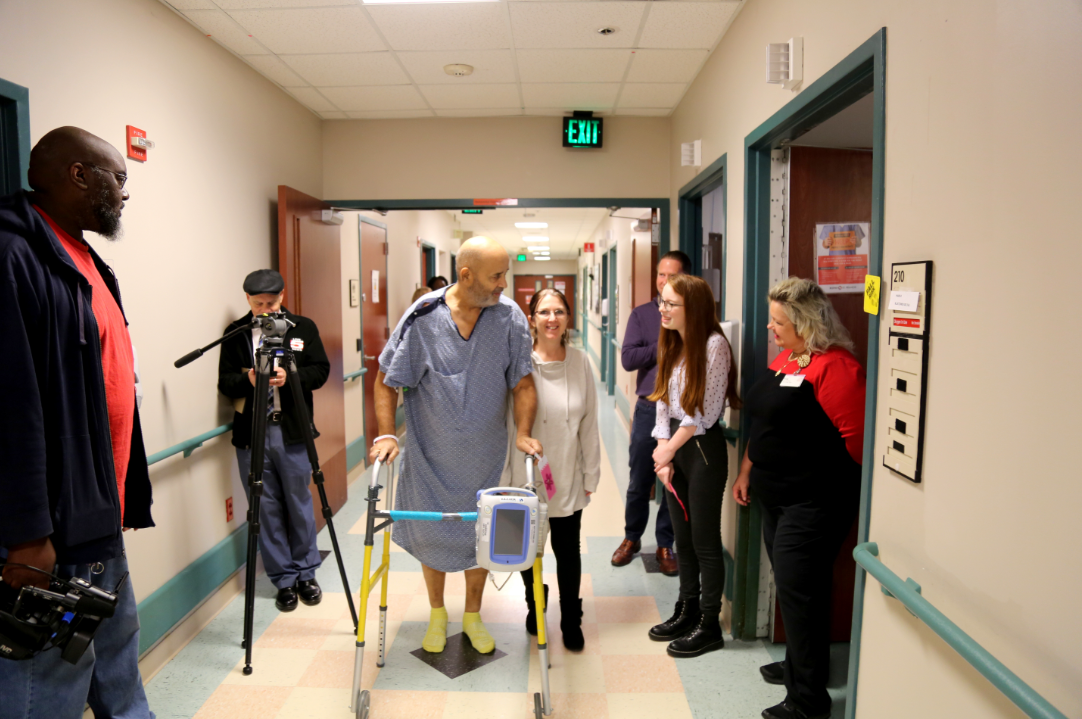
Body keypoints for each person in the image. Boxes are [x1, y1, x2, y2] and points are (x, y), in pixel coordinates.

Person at [1, 126, 155, 719]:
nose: (124, 191)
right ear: (77, 175)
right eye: (118, 176)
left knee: (117, 661)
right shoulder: (16, 256)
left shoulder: (81, 257)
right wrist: (26, 534)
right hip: (48, 532)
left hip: (95, 515)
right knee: (46, 683)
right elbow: (12, 407)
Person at [370, 237, 542, 655]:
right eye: (496, 275)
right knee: (432, 531)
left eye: (504, 273)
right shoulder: (423, 317)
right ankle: (436, 614)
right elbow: (386, 380)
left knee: (479, 535)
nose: (504, 283)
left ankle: (472, 614)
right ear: (466, 275)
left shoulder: (509, 318)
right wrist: (387, 432)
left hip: (485, 455)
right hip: (430, 454)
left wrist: (522, 432)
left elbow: (522, 383)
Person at [733, 277, 865, 719]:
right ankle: (802, 667)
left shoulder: (837, 367)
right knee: (797, 590)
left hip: (813, 502)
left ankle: (808, 700)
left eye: (779, 323)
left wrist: (813, 471)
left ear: (807, 324)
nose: (772, 330)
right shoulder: (792, 357)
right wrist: (749, 469)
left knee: (799, 592)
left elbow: (859, 443)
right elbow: (769, 424)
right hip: (776, 495)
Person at [217, 270, 330, 612]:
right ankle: (282, 579)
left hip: (292, 430)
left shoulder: (302, 328)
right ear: (247, 300)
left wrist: (290, 375)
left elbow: (321, 370)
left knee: (298, 503)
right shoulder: (235, 332)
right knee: (265, 508)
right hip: (253, 434)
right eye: (258, 304)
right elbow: (225, 381)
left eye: (271, 302)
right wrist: (250, 379)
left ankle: (306, 573)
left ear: (283, 296)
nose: (265, 309)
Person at [645, 275, 739, 659]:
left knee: (704, 542)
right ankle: (686, 609)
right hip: (675, 451)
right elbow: (664, 401)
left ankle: (709, 623)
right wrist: (662, 449)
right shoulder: (672, 342)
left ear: (693, 308)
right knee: (681, 541)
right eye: (661, 302)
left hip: (701, 451)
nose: (663, 310)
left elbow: (703, 412)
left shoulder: (714, 346)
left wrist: (668, 453)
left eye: (670, 304)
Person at [502, 289, 600, 651]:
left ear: (568, 319)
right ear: (532, 319)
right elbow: (503, 424)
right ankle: (534, 603)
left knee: (567, 549)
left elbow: (589, 423)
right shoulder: (517, 362)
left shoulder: (580, 363)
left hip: (565, 474)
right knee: (527, 549)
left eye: (559, 311)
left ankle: (571, 618)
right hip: (521, 474)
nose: (551, 318)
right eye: (544, 311)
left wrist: (591, 475)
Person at [612, 250, 690, 575]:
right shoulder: (643, 314)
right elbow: (628, 359)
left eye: (672, 275)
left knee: (673, 480)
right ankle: (631, 538)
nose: (664, 281)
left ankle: (664, 544)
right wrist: (664, 344)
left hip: (681, 415)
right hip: (648, 408)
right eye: (661, 274)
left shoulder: (693, 316)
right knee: (639, 479)